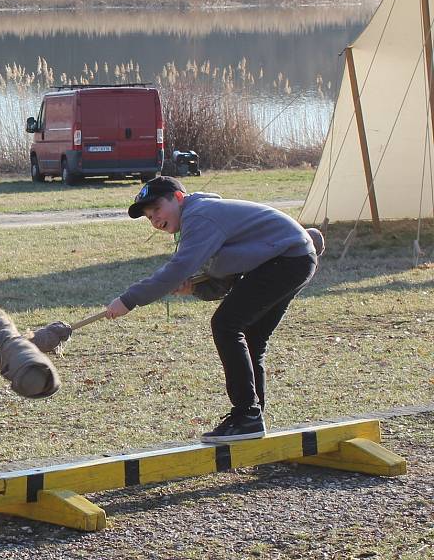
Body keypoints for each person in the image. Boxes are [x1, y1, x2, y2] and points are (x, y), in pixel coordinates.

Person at [105, 176, 318, 443]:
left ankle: (247, 416)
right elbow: (224, 284)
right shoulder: (202, 220)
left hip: (288, 260)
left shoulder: (200, 216)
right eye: (149, 217)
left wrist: (128, 300)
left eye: (156, 209)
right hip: (295, 259)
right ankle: (252, 419)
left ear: (178, 198)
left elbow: (176, 269)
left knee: (226, 325)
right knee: (250, 335)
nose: (155, 221)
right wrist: (192, 288)